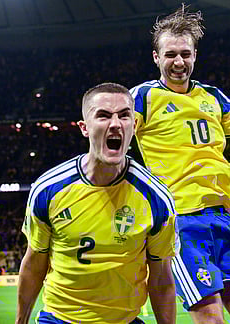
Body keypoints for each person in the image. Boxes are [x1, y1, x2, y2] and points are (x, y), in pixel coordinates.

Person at [130, 5, 230, 324]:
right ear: (156, 57)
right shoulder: (142, 97)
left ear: (195, 55)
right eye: (170, 54)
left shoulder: (214, 97)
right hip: (180, 221)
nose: (178, 62)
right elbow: (112, 140)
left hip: (223, 218)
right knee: (211, 320)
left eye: (185, 54)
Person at [16, 83, 179, 324]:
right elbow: (33, 265)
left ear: (133, 126)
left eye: (124, 116)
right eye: (103, 115)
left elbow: (161, 278)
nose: (115, 124)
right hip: (60, 319)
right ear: (84, 127)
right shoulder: (48, 190)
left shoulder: (157, 198)